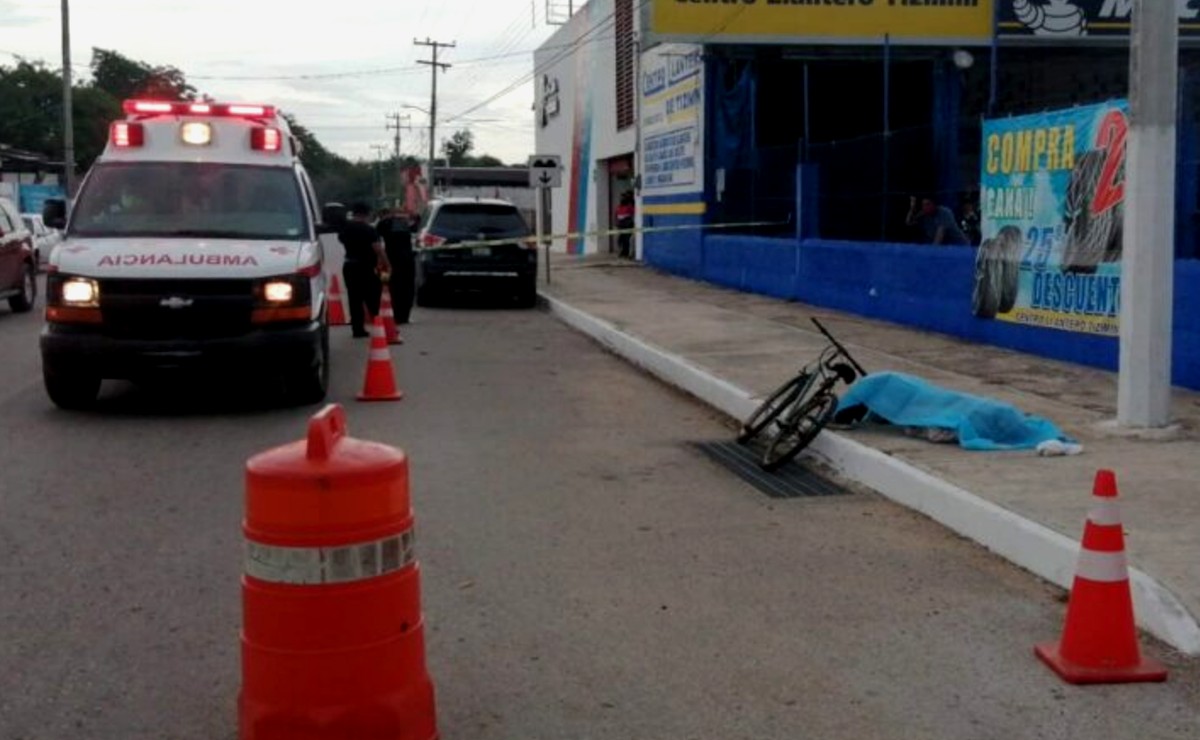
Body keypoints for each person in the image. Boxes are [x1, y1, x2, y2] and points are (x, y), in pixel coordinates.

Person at [338, 202, 390, 337]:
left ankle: (357, 329)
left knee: (354, 299)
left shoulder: (345, 228)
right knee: (373, 296)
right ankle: (379, 325)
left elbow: (342, 240)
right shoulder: (369, 230)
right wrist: (387, 264)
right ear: (366, 213)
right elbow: (378, 249)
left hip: (349, 265)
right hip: (366, 267)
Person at [375, 207, 417, 324]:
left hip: (389, 261)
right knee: (407, 288)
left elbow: (378, 244)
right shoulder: (406, 223)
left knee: (387, 286)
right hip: (408, 261)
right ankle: (404, 316)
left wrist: (379, 263)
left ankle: (390, 313)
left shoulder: (383, 224)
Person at [905, 194, 970, 246]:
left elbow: (938, 239)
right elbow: (909, 222)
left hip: (960, 247)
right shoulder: (923, 215)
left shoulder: (944, 213)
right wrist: (912, 208)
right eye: (923, 205)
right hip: (945, 248)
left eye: (928, 204)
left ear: (934, 205)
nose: (925, 207)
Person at [615, 191, 635, 258]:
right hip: (621, 225)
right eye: (621, 197)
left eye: (623, 197)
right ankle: (622, 252)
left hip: (627, 225)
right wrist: (616, 223)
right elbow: (616, 215)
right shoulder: (619, 207)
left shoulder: (630, 206)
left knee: (627, 239)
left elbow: (633, 214)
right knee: (620, 239)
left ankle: (626, 253)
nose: (621, 199)